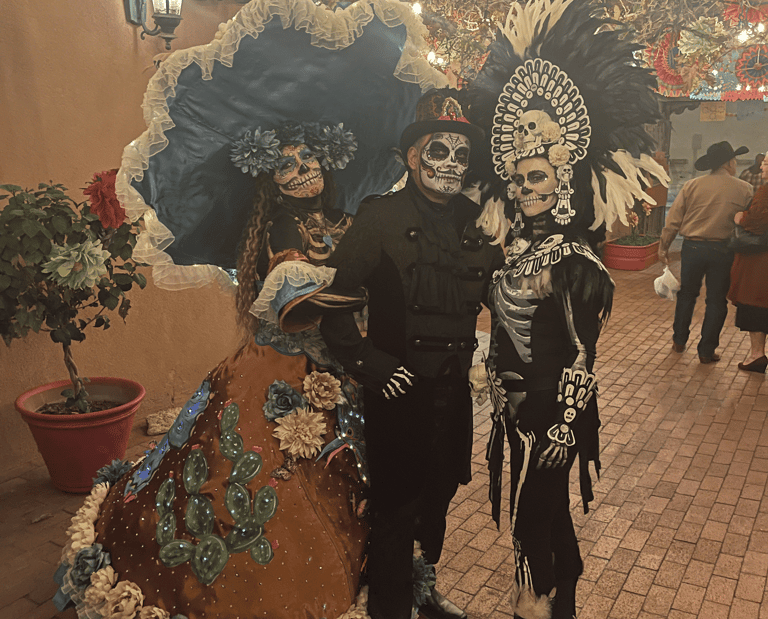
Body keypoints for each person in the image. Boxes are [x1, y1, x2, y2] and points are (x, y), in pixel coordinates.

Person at [53, 121, 377, 619]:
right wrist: (364, 292)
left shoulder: (347, 219)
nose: (301, 169)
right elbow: (298, 301)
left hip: (345, 368)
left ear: (327, 159)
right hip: (283, 367)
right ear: (270, 179)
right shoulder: (280, 227)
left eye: (309, 157)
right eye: (286, 164)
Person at [462, 0, 669, 616]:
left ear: (563, 183)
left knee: (531, 518)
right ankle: (566, 597)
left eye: (537, 179)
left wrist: (564, 424)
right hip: (515, 408)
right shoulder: (512, 252)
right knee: (551, 515)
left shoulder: (575, 260)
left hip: (555, 410)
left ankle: (535, 600)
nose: (523, 190)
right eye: (517, 180)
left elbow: (584, 354)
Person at [319, 88, 504, 619]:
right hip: (398, 391)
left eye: (461, 154)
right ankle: (390, 606)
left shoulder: (478, 221)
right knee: (397, 505)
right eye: (438, 151)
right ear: (412, 157)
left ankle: (421, 590)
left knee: (439, 494)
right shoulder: (379, 217)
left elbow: (502, 295)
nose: (451, 163)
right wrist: (371, 364)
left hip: (454, 392)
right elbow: (333, 301)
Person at [658, 141, 754, 363]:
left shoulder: (691, 185)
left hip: (692, 248)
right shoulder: (744, 189)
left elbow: (673, 220)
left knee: (687, 295)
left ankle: (679, 341)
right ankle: (706, 351)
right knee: (716, 300)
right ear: (729, 162)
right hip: (723, 250)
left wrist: (664, 246)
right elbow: (749, 222)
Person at [729, 152, 768, 373]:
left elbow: (757, 222)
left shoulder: (766, 191)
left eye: (766, 164)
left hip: (760, 261)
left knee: (756, 304)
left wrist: (741, 217)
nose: (762, 167)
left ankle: (756, 354)